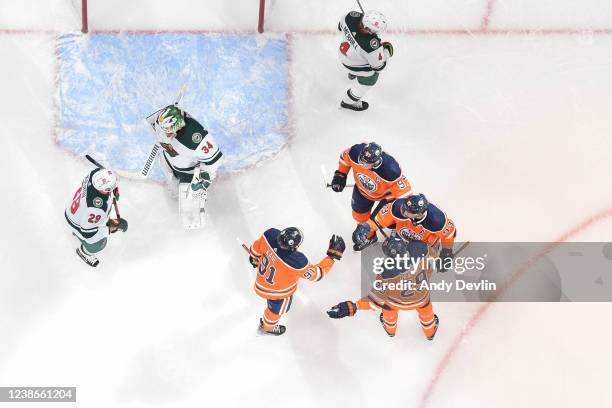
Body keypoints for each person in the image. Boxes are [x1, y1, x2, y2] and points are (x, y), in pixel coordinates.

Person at [327, 236, 439, 339]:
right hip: (422, 298)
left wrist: (355, 306)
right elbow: (435, 256)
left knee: (388, 308)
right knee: (427, 313)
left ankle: (390, 330)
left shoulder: (386, 271)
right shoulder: (420, 248)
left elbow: (375, 302)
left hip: (396, 302)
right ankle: (430, 333)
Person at [248, 227, 345, 335]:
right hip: (278, 293)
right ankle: (267, 328)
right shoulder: (296, 261)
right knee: (275, 311)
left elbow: (255, 250)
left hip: (259, 283)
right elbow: (317, 275)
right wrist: (331, 257)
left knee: (274, 308)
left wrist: (254, 258)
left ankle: (268, 323)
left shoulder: (269, 235)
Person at [150, 105, 223, 228]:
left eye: (168, 129)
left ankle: (196, 220)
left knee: (190, 198)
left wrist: (203, 181)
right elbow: (161, 124)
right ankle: (175, 193)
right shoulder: (164, 121)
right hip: (169, 160)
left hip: (187, 173)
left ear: (178, 125)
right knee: (172, 181)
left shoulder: (196, 138)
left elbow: (216, 160)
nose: (165, 132)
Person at [353, 193, 457, 272]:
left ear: (419, 214)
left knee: (413, 260)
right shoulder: (398, 206)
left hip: (424, 242)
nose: (403, 212)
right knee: (392, 246)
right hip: (403, 232)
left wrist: (446, 252)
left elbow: (449, 234)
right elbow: (380, 219)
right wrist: (367, 227)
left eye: (408, 212)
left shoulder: (437, 220)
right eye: (404, 208)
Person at [330, 142, 411, 236]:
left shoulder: (391, 171)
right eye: (361, 160)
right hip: (362, 191)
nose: (362, 164)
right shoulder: (355, 151)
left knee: (394, 214)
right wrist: (340, 175)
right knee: (359, 215)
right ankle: (367, 235)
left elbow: (406, 196)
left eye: (366, 163)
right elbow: (345, 158)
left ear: (376, 162)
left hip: (387, 196)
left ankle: (398, 230)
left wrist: (397, 212)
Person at [65, 168, 127, 267]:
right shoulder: (97, 208)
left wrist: (113, 189)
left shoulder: (93, 174)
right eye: (112, 185)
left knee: (88, 218)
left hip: (73, 213)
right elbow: (87, 233)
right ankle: (84, 252)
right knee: (100, 243)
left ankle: (76, 233)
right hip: (77, 224)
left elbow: (103, 174)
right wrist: (112, 226)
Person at [337, 9, 393, 111]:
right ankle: (348, 103)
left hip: (344, 54)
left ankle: (352, 74)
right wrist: (387, 51)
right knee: (371, 78)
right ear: (368, 29)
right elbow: (379, 67)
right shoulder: (371, 46)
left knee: (359, 54)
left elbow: (340, 27)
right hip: (354, 64)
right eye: (375, 31)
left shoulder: (350, 16)